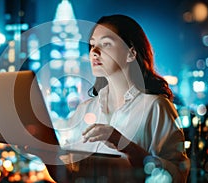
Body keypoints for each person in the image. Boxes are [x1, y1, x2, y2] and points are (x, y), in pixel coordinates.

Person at [55, 14, 190, 182]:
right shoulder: (85, 110)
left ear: (131, 53)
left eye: (105, 44)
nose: (94, 52)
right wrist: (39, 151)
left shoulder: (155, 106)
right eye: (92, 45)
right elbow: (69, 174)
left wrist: (125, 145)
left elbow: (177, 176)